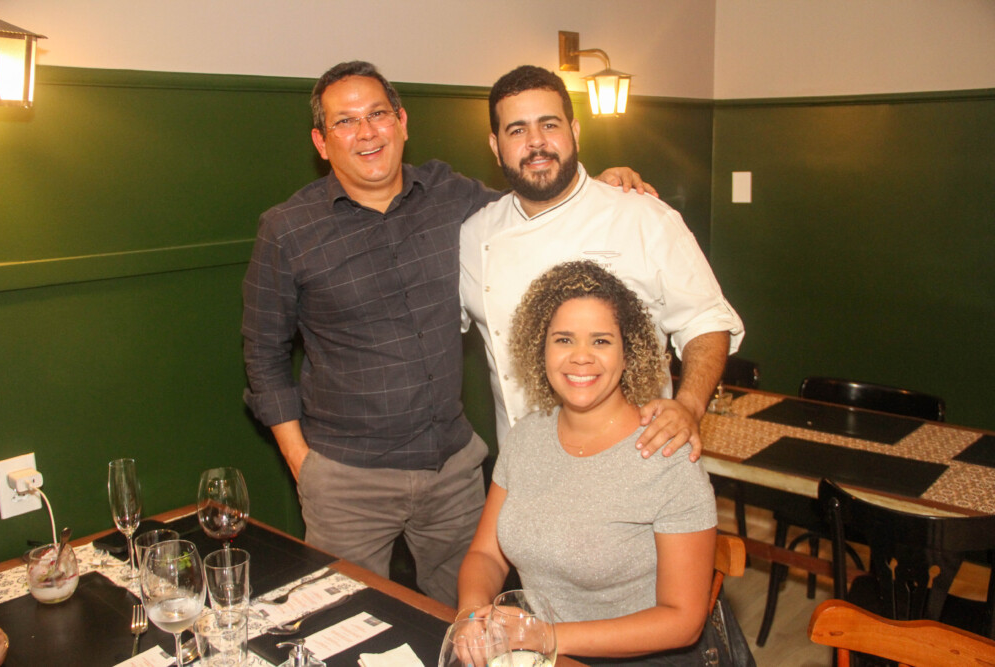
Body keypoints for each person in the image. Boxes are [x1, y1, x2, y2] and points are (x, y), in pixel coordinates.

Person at [242, 60, 655, 606]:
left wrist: (598, 186)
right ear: (322, 142)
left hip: (454, 472)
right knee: (343, 619)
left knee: (468, 619)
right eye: (345, 121)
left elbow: (534, 205)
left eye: (378, 114)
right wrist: (303, 464)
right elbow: (263, 354)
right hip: (346, 480)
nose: (366, 132)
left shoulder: (451, 194)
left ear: (402, 122)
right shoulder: (287, 230)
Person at [461, 66, 745, 461]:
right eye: (517, 130)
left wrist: (689, 406)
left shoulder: (642, 216)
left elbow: (707, 320)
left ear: (575, 132)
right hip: (525, 466)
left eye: (549, 124)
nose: (536, 142)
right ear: (495, 146)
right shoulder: (475, 234)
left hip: (638, 456)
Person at [457, 260, 717, 663]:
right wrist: (474, 615)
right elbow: (486, 555)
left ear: (628, 354)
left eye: (601, 341)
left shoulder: (667, 455)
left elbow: (683, 621)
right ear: (541, 349)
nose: (581, 357)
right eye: (564, 339)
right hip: (542, 652)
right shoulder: (526, 438)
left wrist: (545, 636)